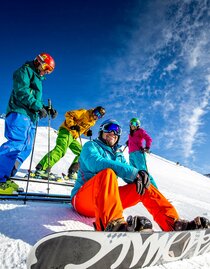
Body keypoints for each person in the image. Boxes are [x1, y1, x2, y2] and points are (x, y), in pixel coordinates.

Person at [71, 119, 209, 232]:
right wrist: (133, 172)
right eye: (109, 128)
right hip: (83, 200)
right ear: (101, 131)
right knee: (108, 173)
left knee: (141, 184)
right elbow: (95, 163)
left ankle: (173, 223)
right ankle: (113, 225)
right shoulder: (91, 146)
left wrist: (139, 176)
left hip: (104, 202)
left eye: (117, 130)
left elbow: (130, 175)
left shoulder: (118, 156)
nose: (112, 132)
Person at [0, 52, 57, 194]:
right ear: (39, 62)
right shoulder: (25, 70)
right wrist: (38, 107)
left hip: (31, 117)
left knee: (26, 148)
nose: (46, 72)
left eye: (49, 71)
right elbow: (22, 91)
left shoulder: (38, 78)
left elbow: (34, 98)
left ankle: (5, 177)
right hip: (20, 113)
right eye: (46, 68)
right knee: (16, 143)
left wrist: (45, 108)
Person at [35, 106, 106, 179]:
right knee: (60, 149)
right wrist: (72, 125)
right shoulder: (84, 112)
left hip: (73, 137)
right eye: (97, 113)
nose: (96, 116)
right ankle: (41, 169)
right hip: (66, 131)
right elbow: (69, 114)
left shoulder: (92, 122)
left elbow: (81, 128)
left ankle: (73, 172)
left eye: (99, 116)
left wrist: (87, 132)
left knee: (83, 153)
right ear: (94, 110)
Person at [127, 117, 158, 189]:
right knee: (134, 173)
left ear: (138, 125)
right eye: (131, 123)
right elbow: (133, 141)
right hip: (131, 155)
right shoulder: (131, 134)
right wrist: (128, 142)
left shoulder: (140, 131)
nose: (132, 125)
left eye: (134, 123)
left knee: (143, 172)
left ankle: (156, 191)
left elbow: (148, 139)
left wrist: (147, 147)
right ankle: (136, 192)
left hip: (138, 153)